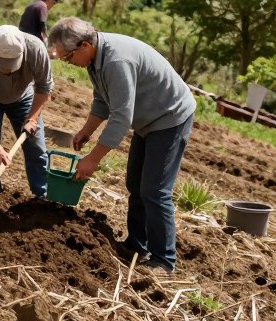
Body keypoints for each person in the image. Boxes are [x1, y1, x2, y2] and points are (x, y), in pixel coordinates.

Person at [47, 17, 196, 275]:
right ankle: (138, 244)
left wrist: (93, 159)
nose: (68, 63)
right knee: (135, 185)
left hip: (169, 118)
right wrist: (86, 131)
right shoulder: (96, 59)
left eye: (68, 57)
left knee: (155, 190)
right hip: (148, 119)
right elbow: (103, 102)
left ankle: (164, 260)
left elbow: (121, 117)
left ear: (83, 45)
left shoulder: (116, 61)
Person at [0, 25, 52, 198]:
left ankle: (43, 197)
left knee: (36, 148)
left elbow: (44, 88)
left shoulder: (36, 50)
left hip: (24, 98)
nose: (7, 70)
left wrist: (32, 118)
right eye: (3, 65)